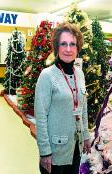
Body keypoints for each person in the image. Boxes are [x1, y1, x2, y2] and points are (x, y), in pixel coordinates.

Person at [34, 22, 91, 174]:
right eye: (63, 44)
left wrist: (86, 136)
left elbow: (82, 108)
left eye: (72, 44)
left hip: (76, 148)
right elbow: (40, 116)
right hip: (55, 153)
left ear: (78, 48)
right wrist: (45, 151)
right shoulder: (47, 75)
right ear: (56, 47)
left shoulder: (80, 74)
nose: (68, 49)